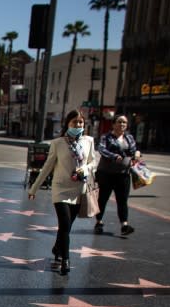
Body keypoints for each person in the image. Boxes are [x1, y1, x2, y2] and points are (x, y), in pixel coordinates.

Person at [27, 109, 97, 276]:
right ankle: (65, 260)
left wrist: (85, 169)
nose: (78, 125)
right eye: (74, 122)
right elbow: (47, 167)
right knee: (64, 224)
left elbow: (93, 162)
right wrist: (34, 187)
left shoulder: (89, 141)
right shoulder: (58, 143)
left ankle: (57, 248)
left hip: (78, 189)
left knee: (66, 227)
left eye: (80, 122)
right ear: (67, 123)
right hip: (61, 189)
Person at [94, 114, 141, 235]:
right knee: (102, 199)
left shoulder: (129, 138)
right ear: (113, 124)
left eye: (124, 122)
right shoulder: (106, 137)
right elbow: (102, 149)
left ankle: (124, 225)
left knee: (122, 200)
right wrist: (114, 156)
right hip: (106, 173)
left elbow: (134, 149)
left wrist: (137, 154)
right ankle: (99, 221)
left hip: (123, 174)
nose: (122, 124)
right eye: (119, 122)